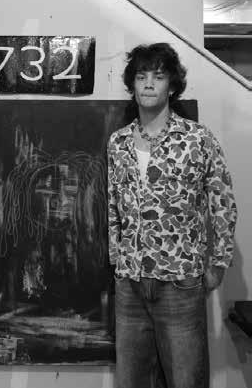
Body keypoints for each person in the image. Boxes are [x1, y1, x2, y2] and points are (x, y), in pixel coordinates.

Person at [107, 42, 237, 388]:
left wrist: (218, 263)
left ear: (172, 85)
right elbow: (113, 205)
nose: (149, 83)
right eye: (141, 76)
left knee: (186, 379)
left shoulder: (197, 139)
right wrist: (117, 258)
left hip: (180, 282)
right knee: (131, 380)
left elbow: (222, 201)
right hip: (130, 284)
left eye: (159, 76)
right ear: (132, 84)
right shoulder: (118, 143)